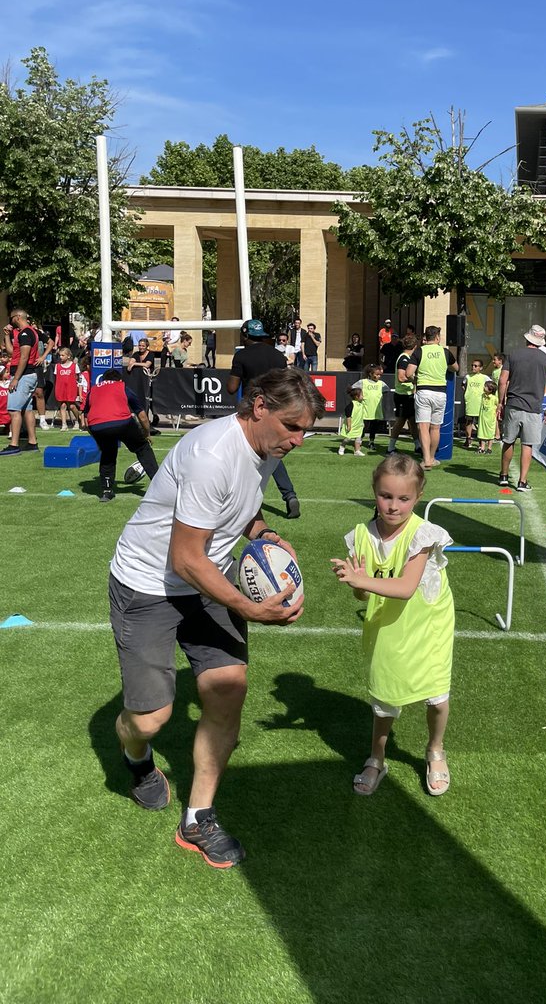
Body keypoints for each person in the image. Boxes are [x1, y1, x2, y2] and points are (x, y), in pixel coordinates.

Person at [109, 367, 324, 868]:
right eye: (293, 427)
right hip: (149, 583)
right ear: (259, 406)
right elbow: (185, 558)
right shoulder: (212, 455)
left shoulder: (266, 448)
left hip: (208, 576)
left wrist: (263, 535)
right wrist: (248, 607)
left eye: (305, 431)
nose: (298, 440)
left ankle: (197, 817)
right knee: (151, 718)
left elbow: (240, 507)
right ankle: (134, 755)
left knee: (228, 689)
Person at [331, 454, 455, 798]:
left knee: (436, 696)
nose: (394, 506)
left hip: (428, 625)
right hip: (387, 625)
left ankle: (435, 750)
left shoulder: (422, 535)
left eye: (404, 498)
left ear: (417, 498)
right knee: (384, 698)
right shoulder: (361, 535)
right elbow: (362, 596)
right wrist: (354, 581)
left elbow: (404, 588)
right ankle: (377, 758)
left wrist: (362, 580)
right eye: (386, 496)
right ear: (374, 491)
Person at [227, 320, 301, 518]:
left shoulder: (241, 355)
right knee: (272, 453)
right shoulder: (278, 355)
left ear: (245, 335)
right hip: (276, 407)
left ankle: (240, 499)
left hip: (252, 410)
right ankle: (289, 494)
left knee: (243, 453)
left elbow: (231, 388)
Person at [85, 370, 159, 502]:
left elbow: (84, 419)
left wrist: (97, 438)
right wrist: (146, 433)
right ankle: (160, 485)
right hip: (122, 422)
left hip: (96, 425)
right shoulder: (122, 386)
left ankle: (106, 491)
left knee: (108, 454)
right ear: (119, 380)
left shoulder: (93, 390)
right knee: (142, 448)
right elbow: (141, 415)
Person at [497, 325, 546, 492]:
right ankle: (522, 482)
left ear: (527, 338)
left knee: (508, 441)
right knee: (527, 444)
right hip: (534, 407)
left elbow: (502, 381)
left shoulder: (513, 355)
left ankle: (504, 476)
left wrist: (501, 402)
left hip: (514, 404)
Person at [409, 325, 458, 470]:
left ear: (426, 337)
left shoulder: (419, 351)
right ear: (437, 337)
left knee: (423, 427)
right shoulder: (445, 352)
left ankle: (426, 460)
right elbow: (456, 368)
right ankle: (432, 457)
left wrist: (415, 378)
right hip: (440, 393)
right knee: (435, 428)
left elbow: (408, 372)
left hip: (424, 391)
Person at [1, 309, 42, 455]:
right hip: (27, 375)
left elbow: (24, 358)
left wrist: (16, 379)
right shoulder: (25, 333)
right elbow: (13, 353)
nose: (11, 321)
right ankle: (32, 443)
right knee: (27, 409)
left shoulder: (26, 333)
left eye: (12, 318)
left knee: (13, 410)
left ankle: (14, 445)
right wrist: (6, 336)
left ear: (18, 317)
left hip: (23, 375)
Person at [387, 334, 420, 456]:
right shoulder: (404, 359)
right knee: (400, 421)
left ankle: (417, 446)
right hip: (403, 395)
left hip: (408, 395)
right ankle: (390, 448)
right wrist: (415, 380)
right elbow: (401, 377)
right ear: (415, 346)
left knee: (412, 421)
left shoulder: (407, 358)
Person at [353, 363, 390, 453]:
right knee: (363, 427)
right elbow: (353, 388)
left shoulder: (381, 384)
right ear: (370, 374)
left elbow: (387, 390)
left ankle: (371, 442)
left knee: (374, 427)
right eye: (376, 374)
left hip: (376, 410)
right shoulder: (363, 382)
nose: (378, 376)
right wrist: (359, 396)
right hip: (365, 409)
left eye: (379, 375)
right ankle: (359, 442)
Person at [53, 347, 83, 430]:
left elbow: (77, 377)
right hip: (61, 388)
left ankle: (78, 420)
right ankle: (64, 424)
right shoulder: (58, 366)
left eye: (63, 355)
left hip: (71, 388)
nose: (61, 357)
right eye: (60, 355)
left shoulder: (74, 366)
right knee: (62, 406)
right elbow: (56, 377)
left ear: (68, 356)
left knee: (72, 406)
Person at [462, 358, 488, 448]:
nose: (473, 367)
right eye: (472, 365)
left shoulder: (484, 377)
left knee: (480, 423)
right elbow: (463, 385)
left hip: (480, 402)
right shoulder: (467, 376)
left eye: (476, 366)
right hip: (470, 402)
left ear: (480, 368)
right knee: (469, 421)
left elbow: (491, 386)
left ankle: (481, 442)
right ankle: (468, 439)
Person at [338, 386, 366, 456]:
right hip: (351, 425)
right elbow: (348, 416)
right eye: (362, 395)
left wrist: (362, 423)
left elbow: (361, 415)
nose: (363, 396)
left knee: (358, 438)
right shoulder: (351, 405)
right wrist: (349, 425)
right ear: (357, 397)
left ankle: (357, 451)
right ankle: (342, 446)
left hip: (359, 425)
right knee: (348, 439)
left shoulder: (361, 404)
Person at [477, 379, 499, 454]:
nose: (484, 387)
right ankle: (482, 448)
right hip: (483, 418)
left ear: (490, 389)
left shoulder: (494, 398)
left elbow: (498, 405)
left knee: (490, 433)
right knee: (482, 432)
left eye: (486, 386)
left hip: (490, 419)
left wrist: (496, 413)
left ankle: (489, 448)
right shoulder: (483, 396)